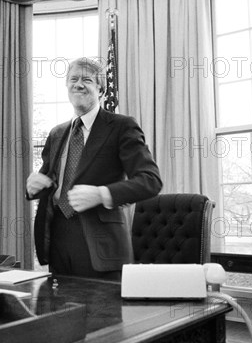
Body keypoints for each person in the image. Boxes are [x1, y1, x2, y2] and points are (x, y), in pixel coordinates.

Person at [27, 57, 162, 280]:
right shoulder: (57, 133)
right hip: (57, 241)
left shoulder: (121, 126)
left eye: (87, 79)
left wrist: (102, 194)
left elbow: (150, 180)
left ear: (100, 89)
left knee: (103, 314)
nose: (78, 84)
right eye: (73, 79)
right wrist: (36, 186)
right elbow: (51, 180)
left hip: (101, 246)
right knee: (61, 312)